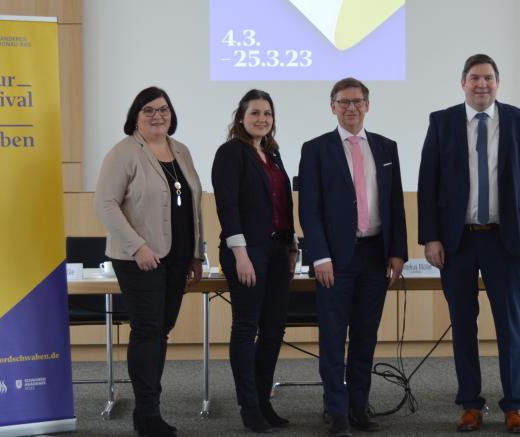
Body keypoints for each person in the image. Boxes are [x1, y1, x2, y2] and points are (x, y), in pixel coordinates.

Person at [416, 54, 520, 434]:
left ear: (497, 83)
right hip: (456, 243)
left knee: (509, 325)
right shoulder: (441, 122)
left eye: (488, 78)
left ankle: (515, 405)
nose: (481, 84)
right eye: (474, 78)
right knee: (462, 325)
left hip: (504, 239)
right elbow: (428, 183)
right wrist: (431, 238)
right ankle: (470, 404)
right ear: (463, 83)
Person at [298, 78, 408, 437]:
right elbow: (310, 210)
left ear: (367, 105)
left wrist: (398, 252)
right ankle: (337, 411)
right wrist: (320, 257)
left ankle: (359, 407)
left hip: (376, 256)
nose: (351, 108)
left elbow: (396, 205)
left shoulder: (387, 147)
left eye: (357, 101)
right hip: (335, 259)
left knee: (365, 336)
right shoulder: (315, 149)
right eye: (343, 102)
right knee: (332, 337)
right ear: (332, 107)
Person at [95, 86, 204, 437]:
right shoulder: (123, 152)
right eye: (149, 110)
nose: (158, 115)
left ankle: (149, 410)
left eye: (163, 109)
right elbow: (105, 205)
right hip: (140, 258)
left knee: (161, 332)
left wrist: (196, 254)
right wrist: (138, 246)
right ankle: (146, 413)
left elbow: (193, 204)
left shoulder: (181, 151)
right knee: (148, 332)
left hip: (177, 258)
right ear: (135, 116)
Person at [212, 89, 298, 433]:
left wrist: (292, 246)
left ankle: (264, 400)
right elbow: (227, 207)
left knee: (275, 328)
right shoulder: (230, 153)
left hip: (277, 251)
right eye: (255, 113)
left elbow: (282, 206)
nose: (262, 118)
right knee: (247, 328)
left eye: (267, 113)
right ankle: (248, 405)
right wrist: (240, 253)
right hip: (246, 251)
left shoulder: (272, 154)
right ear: (241, 117)